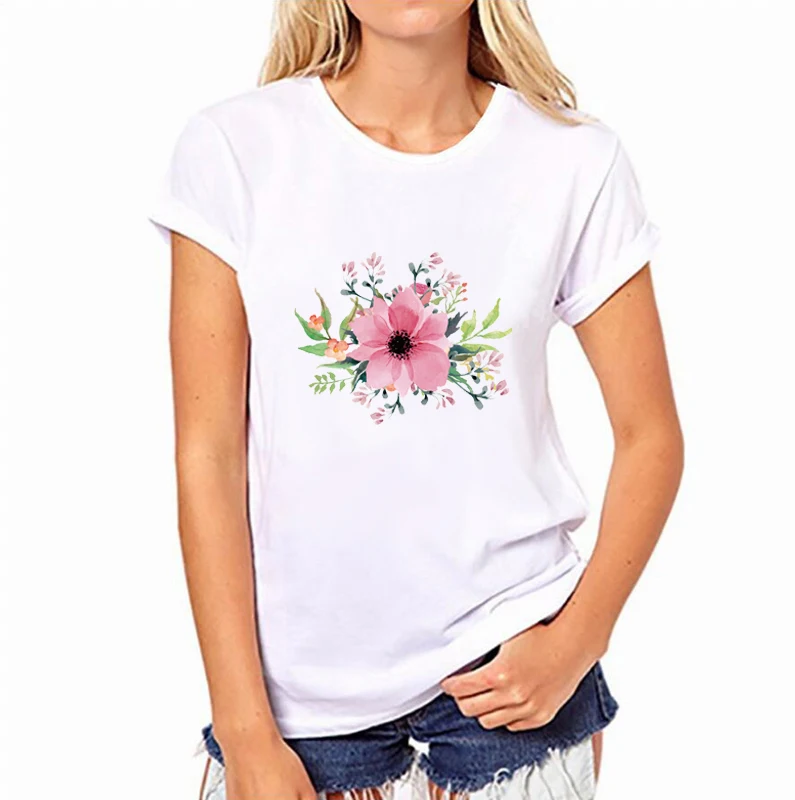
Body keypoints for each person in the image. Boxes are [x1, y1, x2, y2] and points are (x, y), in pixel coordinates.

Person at [146, 1, 684, 798]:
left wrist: (577, 640)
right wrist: (244, 726)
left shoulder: (573, 160)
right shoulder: (235, 151)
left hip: (509, 677)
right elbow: (208, 454)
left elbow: (651, 436)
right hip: (296, 708)